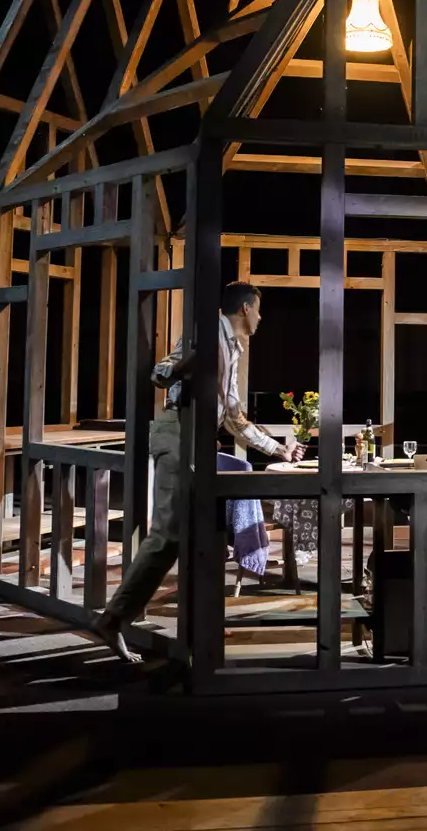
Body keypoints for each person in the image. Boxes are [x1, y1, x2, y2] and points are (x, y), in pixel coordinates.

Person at [92, 281, 301, 660]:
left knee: (201, 536)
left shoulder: (235, 349)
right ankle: (113, 619)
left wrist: (279, 450)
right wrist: (191, 361)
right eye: (257, 309)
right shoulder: (204, 335)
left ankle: (195, 637)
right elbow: (160, 374)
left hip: (199, 443)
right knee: (168, 534)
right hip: (177, 435)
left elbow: (234, 416)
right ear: (243, 309)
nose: (260, 316)